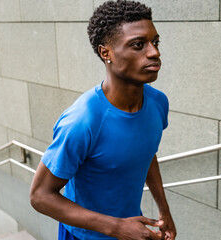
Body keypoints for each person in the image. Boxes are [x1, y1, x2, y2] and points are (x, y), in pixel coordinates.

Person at [30, 0, 176, 239]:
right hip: (84, 236)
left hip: (130, 229)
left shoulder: (158, 102)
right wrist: (117, 227)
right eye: (138, 45)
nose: (154, 52)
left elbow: (147, 153)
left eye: (155, 42)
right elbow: (40, 196)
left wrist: (164, 212)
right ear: (106, 53)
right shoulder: (82, 121)